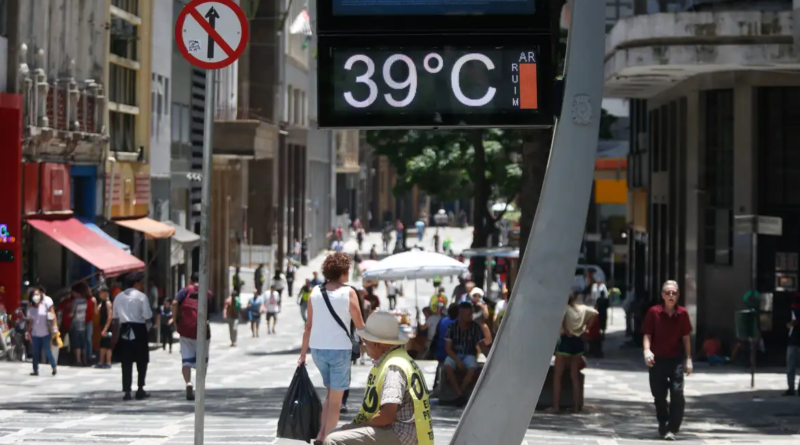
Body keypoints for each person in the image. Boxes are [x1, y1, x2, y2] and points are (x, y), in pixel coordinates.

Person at [323, 312, 434, 445]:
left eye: (366, 341)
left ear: (376, 344)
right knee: (335, 433)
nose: (364, 345)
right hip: (403, 430)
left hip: (400, 433)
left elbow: (387, 415)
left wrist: (359, 426)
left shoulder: (393, 368)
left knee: (333, 440)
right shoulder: (399, 359)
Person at [298, 253, 366, 444]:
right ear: (343, 272)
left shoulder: (315, 292)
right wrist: (372, 347)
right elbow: (360, 325)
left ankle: (321, 435)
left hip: (318, 350)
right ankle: (328, 439)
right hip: (339, 351)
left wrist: (302, 354)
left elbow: (308, 326)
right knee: (336, 400)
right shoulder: (349, 292)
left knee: (330, 394)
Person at [642, 280, 693, 440]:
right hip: (657, 359)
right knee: (659, 394)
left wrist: (689, 359)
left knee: (677, 393)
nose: (671, 295)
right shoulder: (653, 312)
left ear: (678, 295)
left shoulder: (683, 313)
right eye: (668, 293)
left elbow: (686, 337)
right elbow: (647, 334)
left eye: (674, 293)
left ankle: (673, 427)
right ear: (663, 295)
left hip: (675, 359)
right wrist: (647, 350)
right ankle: (663, 421)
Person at [546, 292, 597, 414]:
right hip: (578, 343)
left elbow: (560, 323)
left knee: (558, 376)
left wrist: (565, 329)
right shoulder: (582, 309)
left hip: (565, 342)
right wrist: (586, 327)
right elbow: (595, 313)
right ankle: (575, 407)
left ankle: (556, 406)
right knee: (574, 376)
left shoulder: (564, 309)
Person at [112, 272, 153, 401]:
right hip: (139, 328)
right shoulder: (141, 297)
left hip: (125, 328)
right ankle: (140, 388)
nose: (142, 285)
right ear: (136, 284)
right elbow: (147, 315)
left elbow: (115, 317)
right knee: (142, 359)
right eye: (141, 283)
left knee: (126, 360)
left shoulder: (118, 297)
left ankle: (127, 390)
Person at [443, 301, 492, 405]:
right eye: (468, 314)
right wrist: (458, 361)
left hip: (469, 354)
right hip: (455, 355)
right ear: (461, 314)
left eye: (471, 314)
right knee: (447, 365)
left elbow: (482, 346)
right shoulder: (452, 327)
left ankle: (461, 392)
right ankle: (459, 393)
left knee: (473, 367)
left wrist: (491, 359)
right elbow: (448, 348)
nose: (471, 316)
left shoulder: (475, 327)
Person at [173, 273, 212, 402]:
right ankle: (200, 386)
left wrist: (175, 320)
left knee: (186, 360)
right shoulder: (207, 292)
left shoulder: (184, 291)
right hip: (202, 330)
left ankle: (188, 382)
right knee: (202, 360)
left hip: (186, 330)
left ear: (190, 280)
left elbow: (174, 303)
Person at [25, 287, 58, 376]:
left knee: (48, 351)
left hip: (46, 333)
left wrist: (54, 327)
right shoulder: (30, 309)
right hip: (35, 334)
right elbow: (31, 322)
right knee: (35, 352)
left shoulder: (45, 306)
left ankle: (54, 366)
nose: (36, 296)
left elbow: (52, 315)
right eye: (34, 295)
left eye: (37, 294)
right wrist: (28, 331)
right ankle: (35, 369)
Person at [69, 283, 90, 366]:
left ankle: (78, 360)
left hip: (75, 324)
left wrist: (69, 314)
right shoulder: (85, 301)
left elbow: (72, 313)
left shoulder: (75, 302)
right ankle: (84, 359)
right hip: (83, 324)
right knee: (83, 343)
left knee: (76, 344)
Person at [95, 285, 114, 368]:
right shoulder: (101, 303)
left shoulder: (108, 303)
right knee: (102, 345)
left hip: (107, 327)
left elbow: (110, 316)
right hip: (102, 327)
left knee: (108, 345)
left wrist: (106, 328)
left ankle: (108, 362)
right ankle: (101, 361)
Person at [785, 294, 800, 396]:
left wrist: (792, 324)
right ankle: (792, 389)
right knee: (790, 367)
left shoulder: (794, 311)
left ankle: (791, 389)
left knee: (791, 367)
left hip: (794, 341)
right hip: (793, 341)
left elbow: (793, 323)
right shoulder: (793, 310)